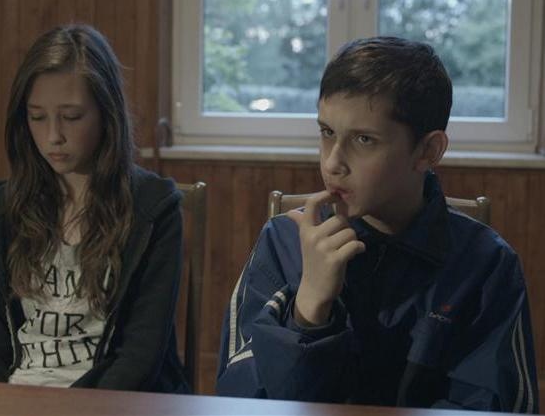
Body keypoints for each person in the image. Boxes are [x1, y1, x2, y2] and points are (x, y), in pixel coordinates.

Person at [216, 36, 539, 412]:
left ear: (428, 151)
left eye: (364, 140)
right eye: (327, 133)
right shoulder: (283, 242)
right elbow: (240, 400)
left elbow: (495, 406)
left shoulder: (486, 264)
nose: (332, 163)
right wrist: (308, 311)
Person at [0, 24, 188, 392]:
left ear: (106, 114)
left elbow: (139, 357)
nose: (53, 136)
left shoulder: (152, 210)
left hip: (107, 401)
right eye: (37, 117)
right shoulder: (3, 212)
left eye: (71, 117)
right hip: (15, 397)